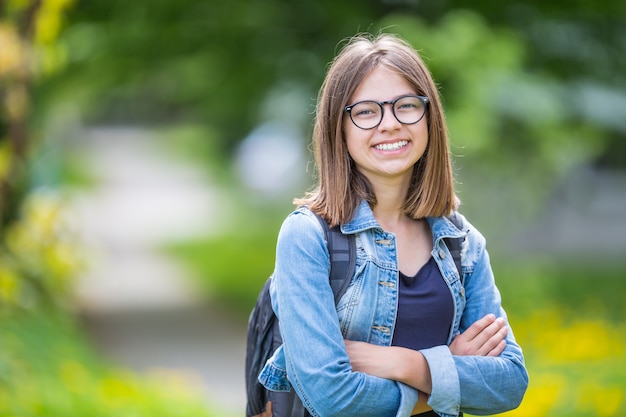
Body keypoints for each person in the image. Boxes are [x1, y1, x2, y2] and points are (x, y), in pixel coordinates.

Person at [258, 33, 528, 417]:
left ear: (428, 117)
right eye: (367, 111)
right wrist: (445, 372)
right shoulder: (308, 236)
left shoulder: (461, 242)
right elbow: (332, 399)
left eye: (405, 106)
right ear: (341, 127)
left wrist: (406, 364)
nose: (390, 124)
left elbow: (509, 383)